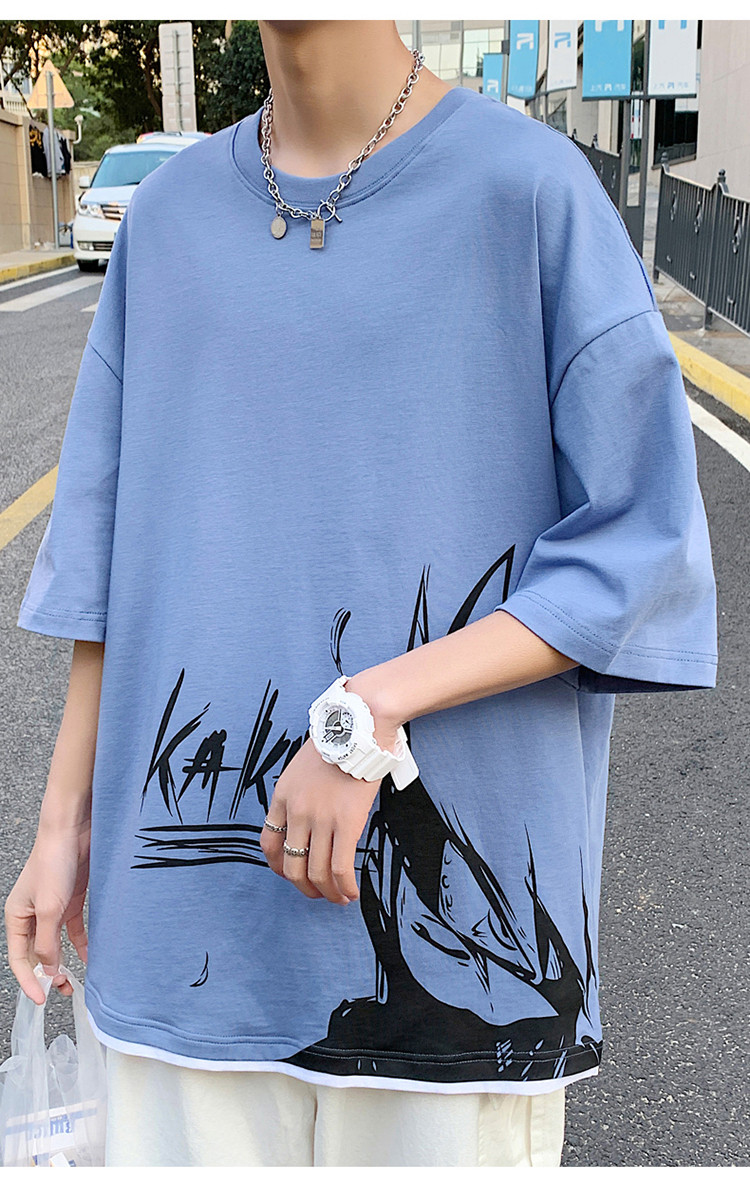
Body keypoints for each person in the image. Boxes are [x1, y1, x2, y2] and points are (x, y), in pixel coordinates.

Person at [6, 19, 718, 1168]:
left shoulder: (530, 194)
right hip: (182, 929)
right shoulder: (170, 220)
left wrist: (370, 709)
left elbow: (643, 543)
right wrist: (61, 827)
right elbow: (107, 549)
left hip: (460, 999)